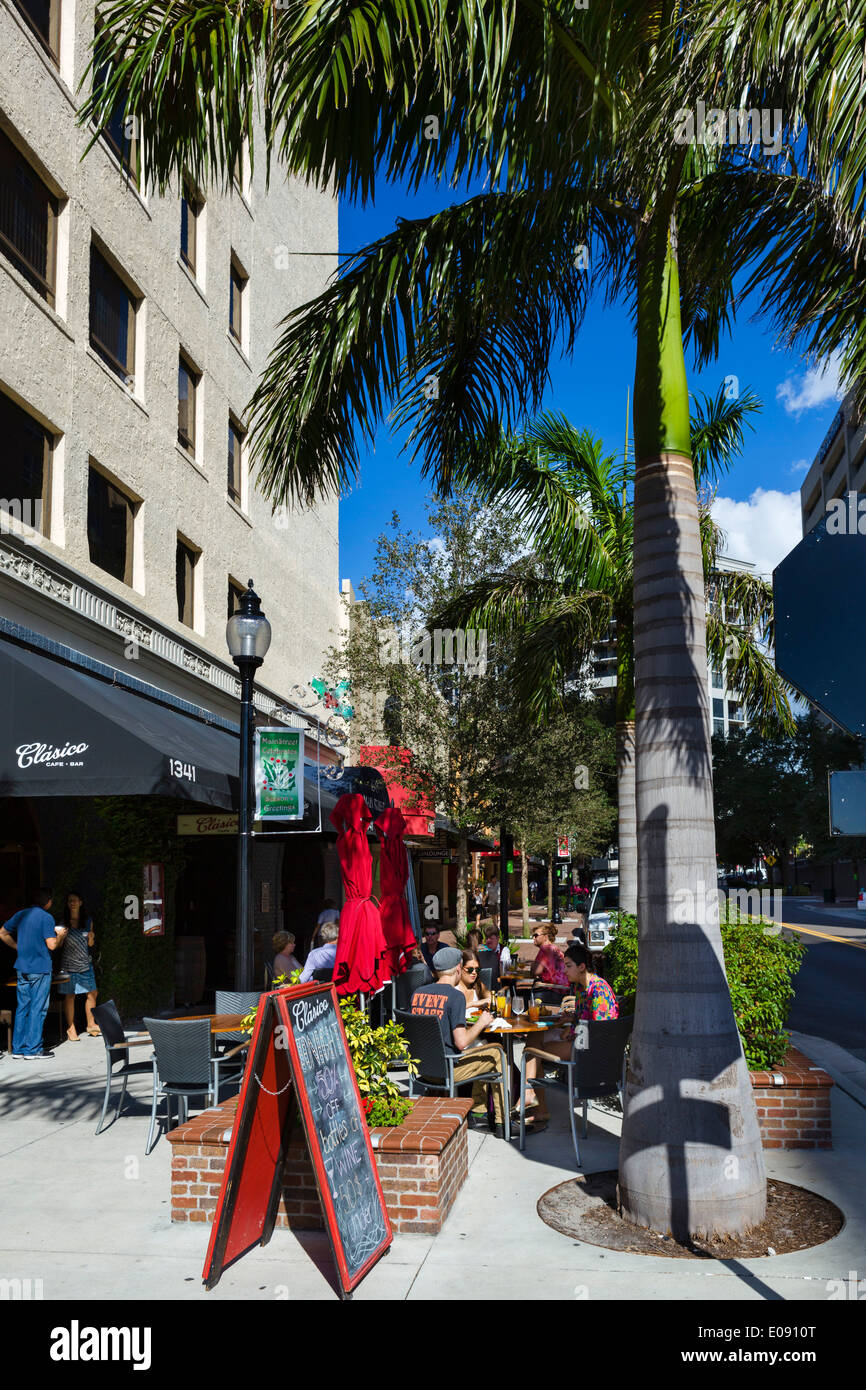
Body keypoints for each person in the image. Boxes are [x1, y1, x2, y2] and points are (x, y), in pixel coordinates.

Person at [522, 942, 619, 1128]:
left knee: (532, 1051)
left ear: (582, 967)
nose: (564, 971)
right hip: (580, 1040)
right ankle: (531, 1099)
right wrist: (570, 1021)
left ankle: (532, 1100)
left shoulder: (598, 990)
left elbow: (599, 1031)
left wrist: (572, 1032)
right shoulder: (581, 987)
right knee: (533, 1038)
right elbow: (584, 1018)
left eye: (568, 966)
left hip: (589, 1051)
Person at [410, 947, 506, 1133]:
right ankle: (502, 1123)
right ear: (457, 969)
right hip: (447, 1070)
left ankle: (480, 1112)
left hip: (421, 1069)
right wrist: (481, 1022)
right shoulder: (455, 996)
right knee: (497, 1051)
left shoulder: (418, 993)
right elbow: (461, 1043)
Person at [0, 888, 67, 1059]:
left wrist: (17, 947)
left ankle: (18, 1048)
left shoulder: (21, 914)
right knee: (38, 1008)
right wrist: (60, 936)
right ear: (48, 901)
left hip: (22, 967)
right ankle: (33, 1049)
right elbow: (52, 945)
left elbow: (2, 932)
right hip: (40, 968)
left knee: (23, 1007)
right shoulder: (46, 917)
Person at [57, 891, 99, 1041]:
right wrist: (60, 936)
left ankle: (91, 1024)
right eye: (69, 901)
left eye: (75, 900)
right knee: (70, 996)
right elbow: (58, 945)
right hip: (68, 965)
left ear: (81, 902)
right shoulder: (63, 921)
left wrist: (92, 938)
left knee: (92, 993)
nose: (72, 903)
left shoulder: (87, 920)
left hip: (85, 963)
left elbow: (90, 944)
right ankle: (71, 1028)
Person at [530, 923, 569, 992]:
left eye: (536, 935)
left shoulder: (545, 950)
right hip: (564, 988)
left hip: (554, 989)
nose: (533, 938)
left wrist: (532, 966)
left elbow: (536, 972)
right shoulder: (554, 948)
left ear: (546, 937)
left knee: (526, 993)